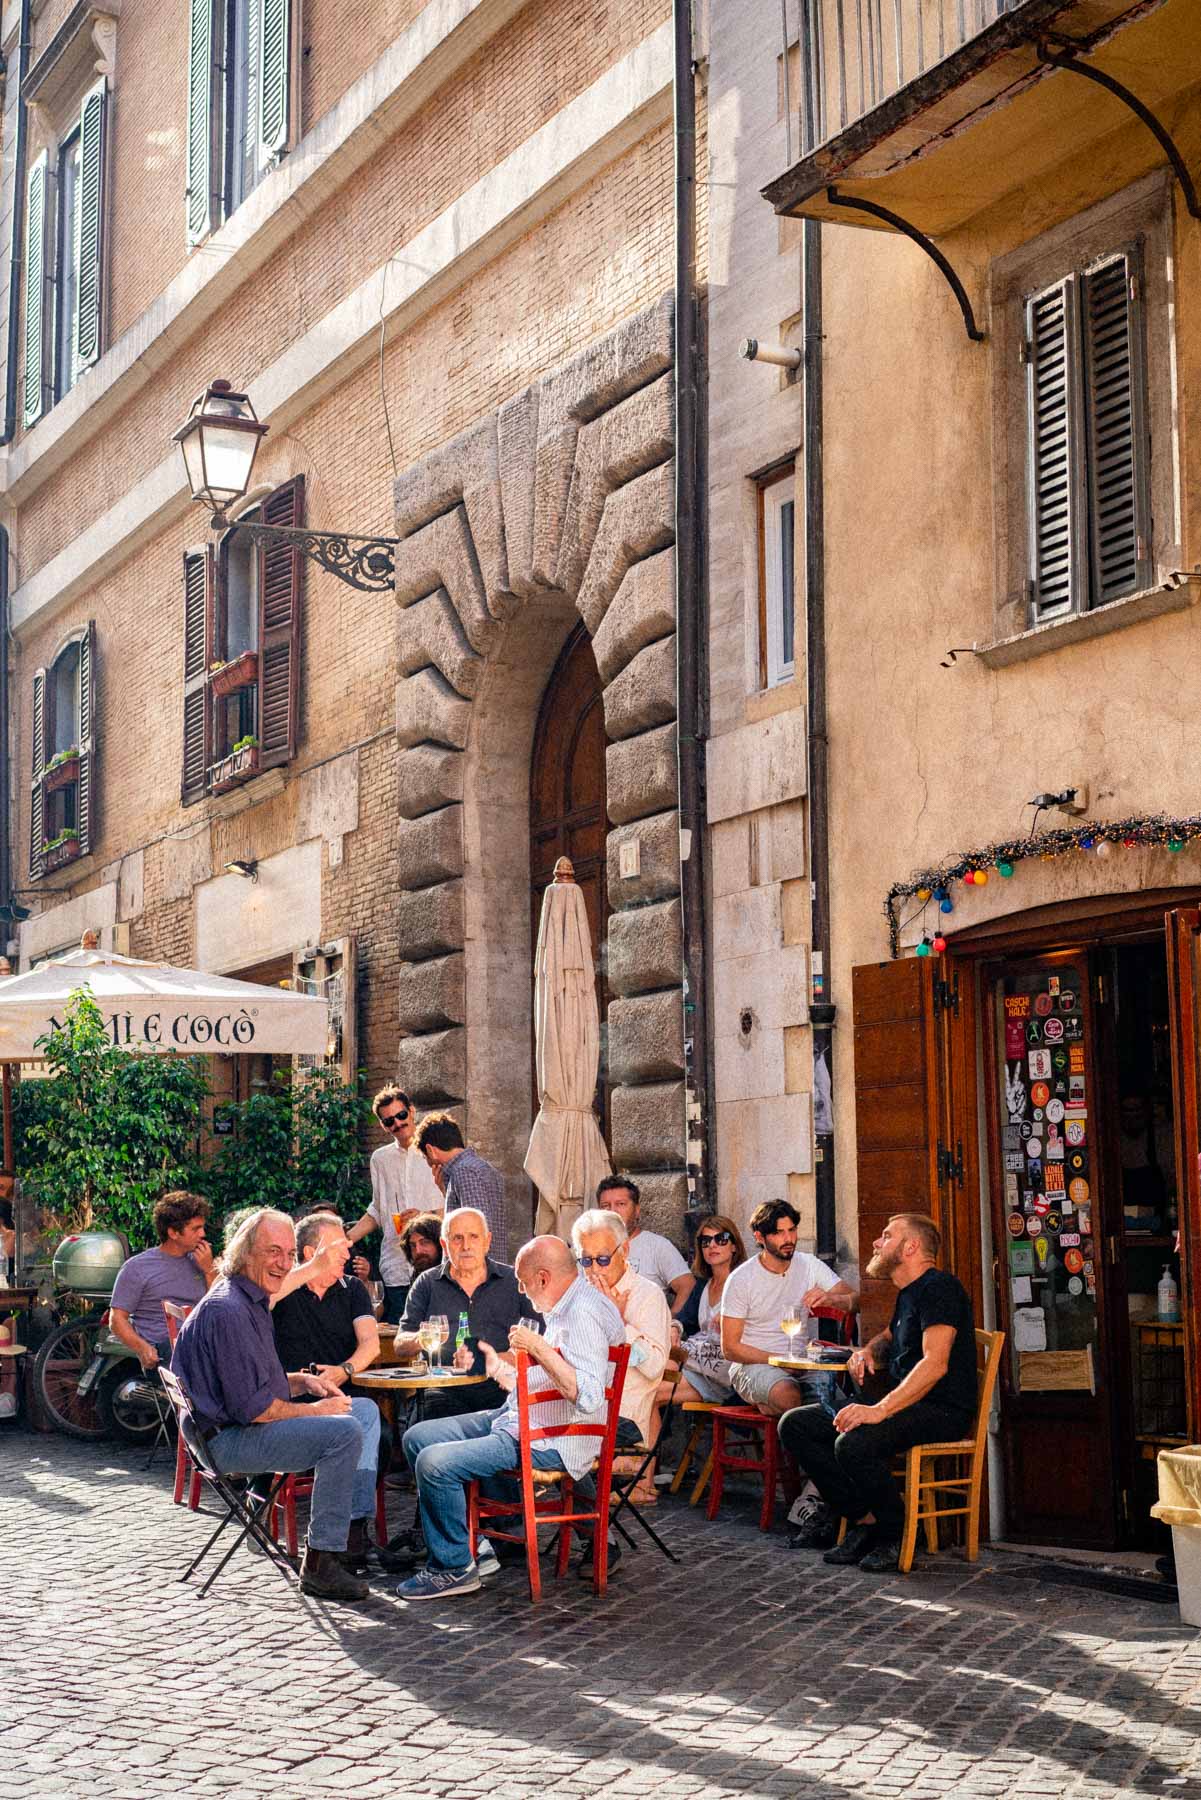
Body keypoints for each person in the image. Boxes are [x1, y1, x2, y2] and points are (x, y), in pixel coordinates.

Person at [395, 1236, 624, 1601]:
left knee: (434, 1462)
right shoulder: (566, 1305)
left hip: (550, 1437)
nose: (519, 1288)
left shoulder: (582, 1313)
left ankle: (453, 1567)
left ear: (544, 1278)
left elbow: (589, 1396)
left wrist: (537, 1348)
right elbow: (547, 1378)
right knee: (418, 1436)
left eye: (523, 1280)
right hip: (522, 1417)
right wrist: (499, 1367)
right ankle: (473, 1545)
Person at [171, 1207, 381, 1603]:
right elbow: (257, 1410)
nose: (283, 1263)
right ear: (246, 1252)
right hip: (225, 1442)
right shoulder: (231, 1310)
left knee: (351, 1419)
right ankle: (322, 1560)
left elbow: (254, 1382)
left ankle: (331, 1539)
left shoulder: (246, 1299)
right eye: (273, 1252)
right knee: (344, 1433)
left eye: (287, 1254)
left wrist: (299, 1381)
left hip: (222, 1427)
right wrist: (316, 1411)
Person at [778, 1212, 977, 1573]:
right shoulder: (909, 1294)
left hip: (941, 1409)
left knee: (853, 1442)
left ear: (911, 1247)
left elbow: (935, 1364)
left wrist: (879, 1410)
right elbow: (890, 1336)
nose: (876, 1242)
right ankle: (865, 1520)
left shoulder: (940, 1289)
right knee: (796, 1425)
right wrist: (867, 1350)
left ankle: (895, 1533)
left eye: (886, 1236)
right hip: (905, 1404)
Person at [395, 1207, 536, 1420]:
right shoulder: (427, 1283)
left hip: (501, 1386)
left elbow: (539, 1343)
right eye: (457, 1238)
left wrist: (486, 1361)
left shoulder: (514, 1281)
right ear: (444, 1244)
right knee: (432, 1415)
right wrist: (422, 1338)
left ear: (487, 1241)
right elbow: (400, 1344)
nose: (466, 1246)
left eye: (474, 1237)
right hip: (443, 1388)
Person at [720, 1199, 856, 1417]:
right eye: (778, 1233)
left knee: (841, 1406)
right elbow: (730, 1348)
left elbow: (855, 1300)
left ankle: (778, 1414)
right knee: (789, 1395)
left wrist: (832, 1298)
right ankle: (784, 1419)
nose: (788, 1239)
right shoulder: (741, 1279)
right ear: (759, 1237)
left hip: (802, 1363)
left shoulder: (808, 1264)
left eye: (791, 1230)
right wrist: (778, 1361)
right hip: (753, 1364)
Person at [572, 1207, 670, 1501]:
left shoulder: (647, 1295)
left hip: (621, 1421)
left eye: (602, 1259)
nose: (595, 1270)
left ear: (624, 1249)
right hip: (580, 1405)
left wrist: (619, 1323)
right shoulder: (578, 1293)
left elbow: (654, 1365)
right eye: (586, 1260)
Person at [345, 1086, 442, 1324]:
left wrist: (423, 1217)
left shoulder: (435, 1152)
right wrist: (344, 1240)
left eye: (401, 1116)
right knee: (400, 1341)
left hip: (433, 1262)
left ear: (411, 1112)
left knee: (435, 1336)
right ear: (383, 1125)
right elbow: (378, 1210)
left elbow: (452, 1204)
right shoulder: (380, 1159)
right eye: (389, 1121)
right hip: (395, 1266)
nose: (397, 1124)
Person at [109, 1191, 217, 1373]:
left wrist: (208, 1270)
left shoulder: (201, 1261)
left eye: (202, 1227)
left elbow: (216, 1307)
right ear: (173, 1233)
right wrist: (143, 1348)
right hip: (164, 1350)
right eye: (195, 1229)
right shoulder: (137, 1268)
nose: (203, 1234)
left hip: (202, 1343)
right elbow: (117, 1320)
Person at [665, 1213, 747, 1405]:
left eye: (721, 1239)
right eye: (705, 1241)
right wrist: (674, 1327)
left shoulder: (744, 1284)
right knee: (658, 1371)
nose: (712, 1245)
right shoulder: (703, 1285)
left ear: (734, 1246)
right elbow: (683, 1318)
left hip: (722, 1372)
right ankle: (651, 1434)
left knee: (650, 1391)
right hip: (695, 1364)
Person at [596, 1175, 694, 1316]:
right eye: (606, 1206)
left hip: (643, 1334)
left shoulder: (657, 1246)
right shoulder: (590, 1251)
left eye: (621, 1204)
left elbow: (688, 1286)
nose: (613, 1212)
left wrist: (670, 1323)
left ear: (637, 1210)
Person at [415, 1112, 507, 1258]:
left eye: (425, 1157)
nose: (429, 1163)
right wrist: (446, 1192)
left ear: (431, 1150)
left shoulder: (464, 1171)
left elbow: (474, 1232)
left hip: (475, 1275)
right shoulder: (481, 1167)